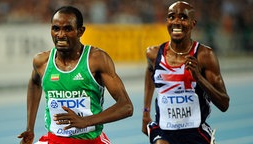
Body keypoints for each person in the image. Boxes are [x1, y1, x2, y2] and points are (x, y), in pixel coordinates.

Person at [17, 6, 133, 144]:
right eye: (56, 28)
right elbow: (35, 83)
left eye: (67, 29)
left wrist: (86, 121)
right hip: (54, 140)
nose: (60, 35)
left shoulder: (96, 60)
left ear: (80, 31)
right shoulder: (42, 62)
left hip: (90, 142)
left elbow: (126, 106)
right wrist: (30, 128)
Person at [142, 1, 230, 144]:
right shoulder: (153, 54)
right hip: (163, 131)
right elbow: (150, 72)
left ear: (193, 23)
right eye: (172, 17)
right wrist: (146, 112)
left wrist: (199, 78)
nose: (176, 22)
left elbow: (224, 104)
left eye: (183, 17)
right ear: (167, 22)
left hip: (195, 132)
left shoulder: (204, 56)